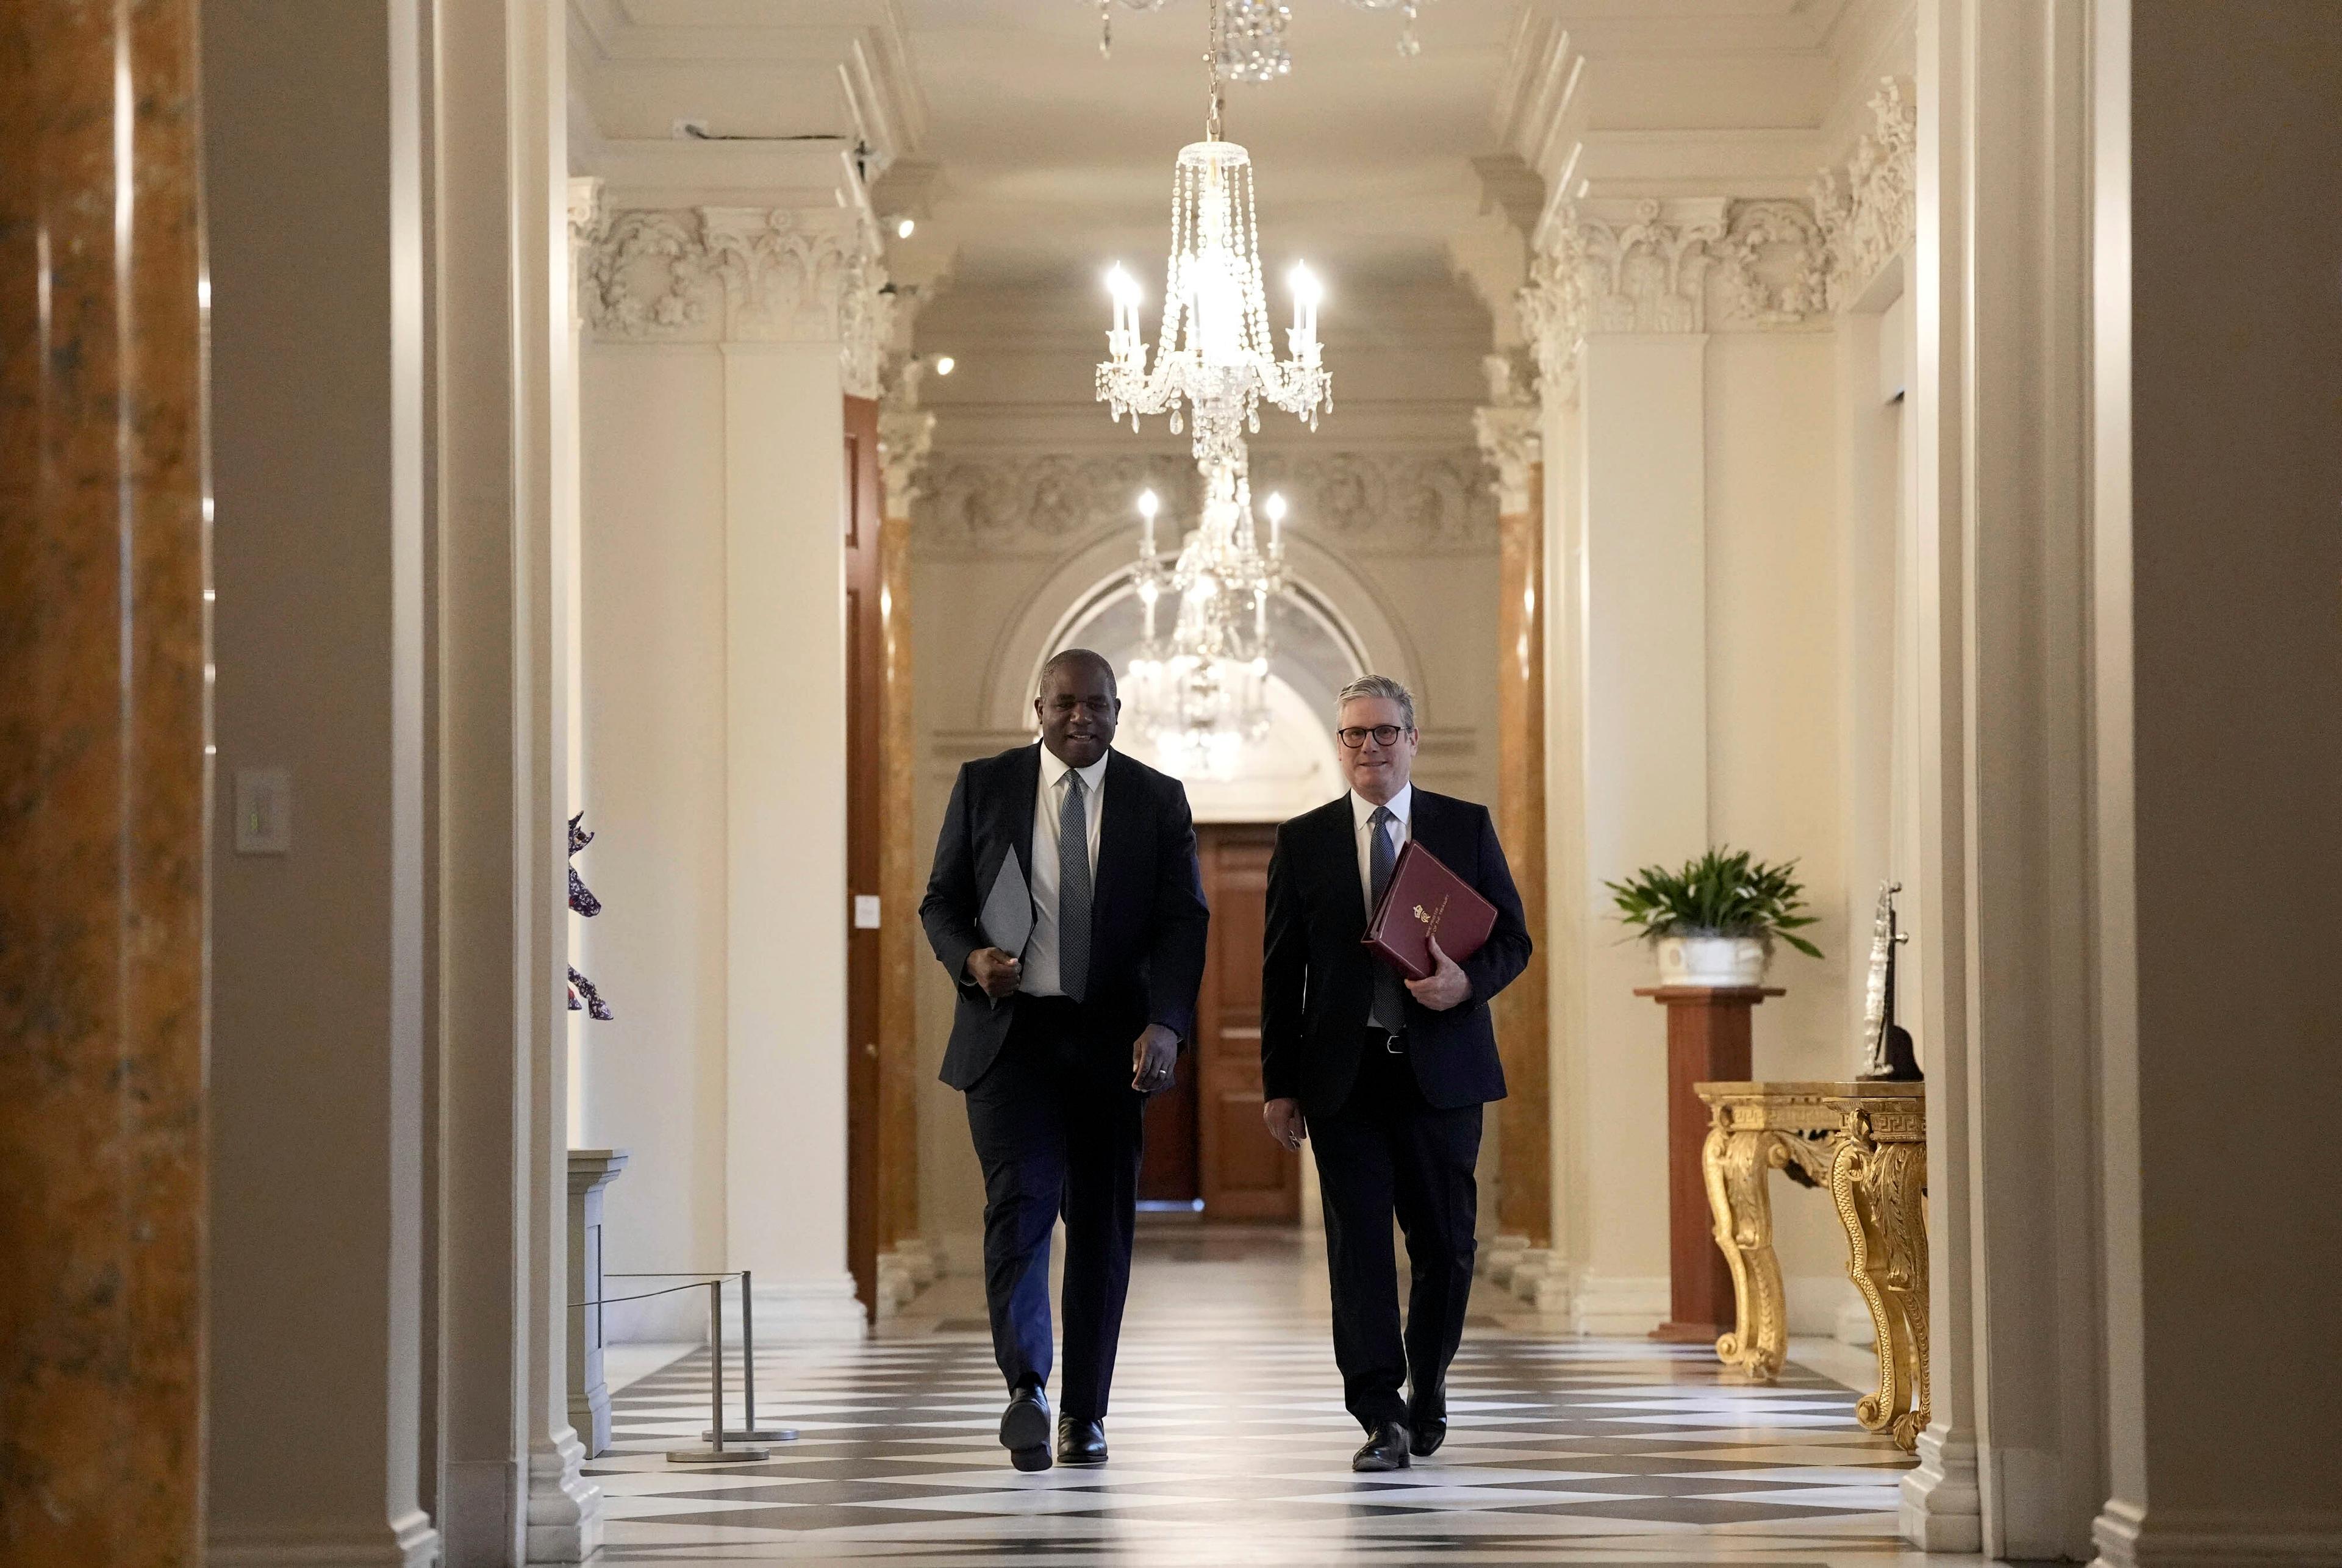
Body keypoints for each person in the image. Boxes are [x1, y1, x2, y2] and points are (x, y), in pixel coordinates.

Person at [920, 648, 1210, 1472]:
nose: (1081, 718)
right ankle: (1027, 1388)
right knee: (1018, 1215)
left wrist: (1168, 1024)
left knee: (1101, 1231)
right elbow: (940, 901)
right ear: (1037, 708)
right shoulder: (987, 786)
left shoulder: (1157, 800)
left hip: (1114, 1046)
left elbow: (1183, 923)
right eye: (1065, 704)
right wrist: (972, 958)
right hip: (1012, 1042)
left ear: (1119, 711)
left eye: (1098, 705)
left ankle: (1085, 1412)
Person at [1259, 673, 1531, 1472]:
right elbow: (1280, 974)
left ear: (1413, 739)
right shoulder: (1303, 840)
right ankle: (1381, 1416)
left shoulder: (1464, 828)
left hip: (1441, 1076)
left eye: (1384, 732)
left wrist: (1463, 985)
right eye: (1354, 734)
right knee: (1360, 1256)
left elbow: (1512, 942)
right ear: (1339, 745)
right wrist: (1279, 1083)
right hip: (1343, 1082)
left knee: (1446, 1247)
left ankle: (1430, 1386)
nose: (1369, 747)